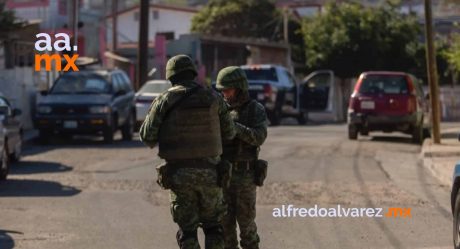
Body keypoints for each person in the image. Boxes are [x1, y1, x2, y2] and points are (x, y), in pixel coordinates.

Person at [139, 55, 236, 249]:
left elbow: (147, 136)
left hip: (179, 175)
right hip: (211, 173)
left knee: (188, 231)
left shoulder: (165, 100)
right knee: (213, 227)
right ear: (193, 74)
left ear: (170, 77)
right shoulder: (213, 97)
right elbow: (230, 133)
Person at [215, 66, 268, 249]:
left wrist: (235, 128)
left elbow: (259, 136)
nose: (224, 93)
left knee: (247, 229)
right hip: (223, 176)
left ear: (238, 88)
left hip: (245, 177)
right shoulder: (219, 111)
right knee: (225, 229)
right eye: (222, 90)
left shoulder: (255, 109)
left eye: (227, 89)